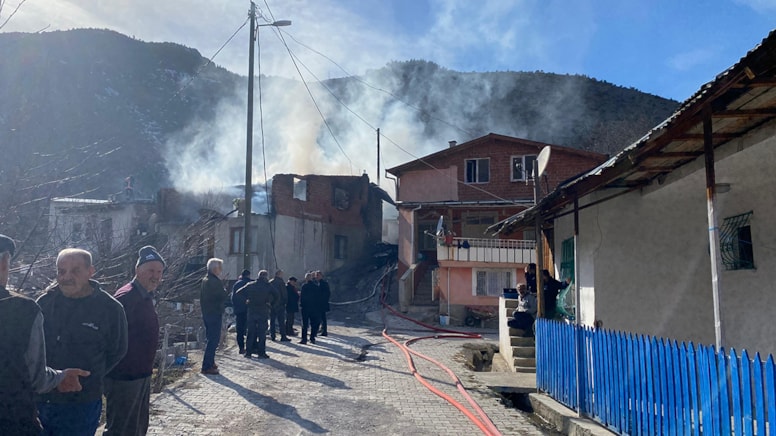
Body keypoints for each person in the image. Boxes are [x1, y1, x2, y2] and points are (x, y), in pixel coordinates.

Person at [0, 235, 89, 435]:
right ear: (5, 263)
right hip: (12, 421)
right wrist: (61, 376)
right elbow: (37, 378)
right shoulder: (22, 309)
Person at [36, 248, 128, 436]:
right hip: (43, 398)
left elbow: (117, 350)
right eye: (61, 271)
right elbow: (32, 349)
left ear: (90, 272)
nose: (67, 277)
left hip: (81, 402)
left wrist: (91, 375)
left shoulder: (110, 309)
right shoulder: (44, 303)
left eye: (75, 271)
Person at [104, 245, 165, 436]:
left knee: (137, 429)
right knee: (120, 430)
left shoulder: (144, 295)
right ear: (137, 271)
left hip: (140, 375)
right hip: (124, 378)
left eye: (159, 272)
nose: (155, 276)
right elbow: (109, 336)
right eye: (150, 271)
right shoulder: (127, 297)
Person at [235, 270, 278, 359]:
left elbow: (238, 292)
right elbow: (277, 295)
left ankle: (248, 352)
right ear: (266, 276)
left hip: (252, 310)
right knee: (262, 333)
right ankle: (261, 353)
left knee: (251, 332)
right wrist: (271, 303)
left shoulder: (251, 285)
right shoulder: (268, 286)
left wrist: (246, 300)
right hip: (263, 310)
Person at [200, 258, 228, 375]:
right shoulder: (214, 281)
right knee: (213, 340)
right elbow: (222, 296)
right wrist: (225, 290)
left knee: (210, 338)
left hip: (207, 312)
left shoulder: (205, 280)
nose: (221, 270)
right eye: (220, 268)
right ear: (215, 269)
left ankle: (210, 362)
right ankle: (207, 366)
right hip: (214, 313)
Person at [231, 269, 251, 354]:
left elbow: (232, 297)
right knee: (250, 329)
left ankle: (241, 348)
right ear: (249, 275)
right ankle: (251, 347)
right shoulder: (250, 284)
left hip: (239, 310)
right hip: (249, 310)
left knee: (240, 330)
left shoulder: (236, 284)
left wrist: (236, 306)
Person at [299, 272, 322, 345]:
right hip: (314, 308)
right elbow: (319, 298)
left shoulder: (304, 286)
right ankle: (312, 338)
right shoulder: (316, 287)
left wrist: (301, 305)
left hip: (305, 307)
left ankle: (304, 339)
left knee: (305, 324)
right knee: (314, 323)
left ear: (306, 278)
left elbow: (302, 297)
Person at [269, 269, 289, 342]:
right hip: (280, 304)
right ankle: (283, 336)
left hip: (272, 304)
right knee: (281, 321)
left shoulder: (270, 282)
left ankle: (273, 336)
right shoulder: (281, 282)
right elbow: (284, 293)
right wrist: (285, 301)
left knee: (272, 321)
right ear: (279, 274)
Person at [315, 270, 331, 336]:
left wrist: (323, 300)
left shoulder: (324, 283)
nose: (317, 277)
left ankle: (324, 331)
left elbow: (327, 293)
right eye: (316, 275)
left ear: (321, 276)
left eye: (318, 275)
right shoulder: (316, 283)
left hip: (322, 304)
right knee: (319, 317)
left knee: (323, 318)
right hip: (318, 303)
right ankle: (320, 329)